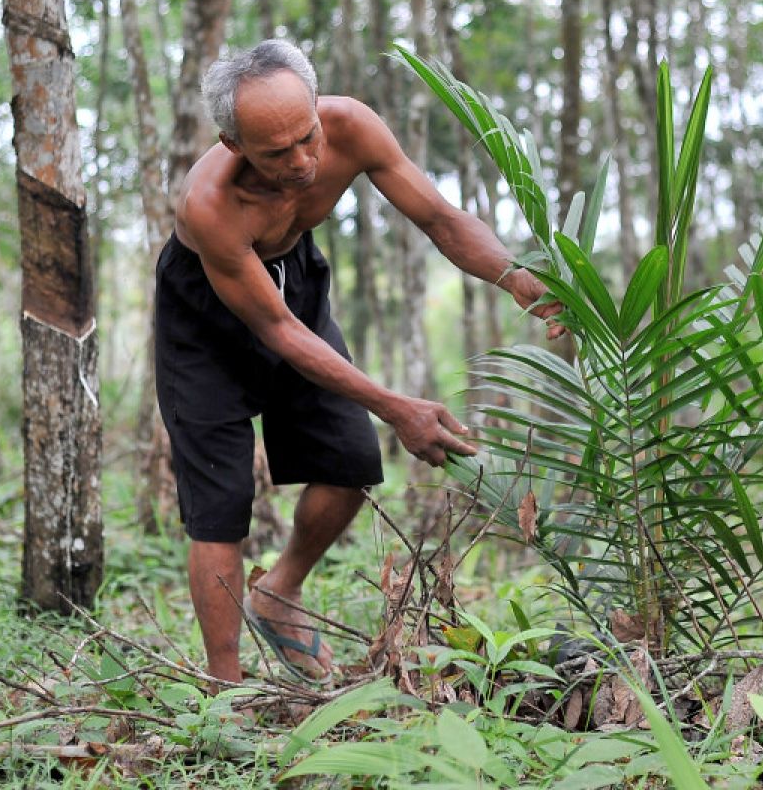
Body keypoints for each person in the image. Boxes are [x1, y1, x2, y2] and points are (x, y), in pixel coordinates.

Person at [155, 39, 562, 684]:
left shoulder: (352, 127)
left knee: (347, 460)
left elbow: (440, 218)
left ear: (318, 109)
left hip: (291, 279)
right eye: (275, 152)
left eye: (307, 136)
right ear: (234, 147)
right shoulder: (210, 204)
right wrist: (397, 407)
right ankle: (224, 689)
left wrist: (515, 277)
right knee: (219, 504)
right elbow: (278, 333)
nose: (302, 162)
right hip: (204, 319)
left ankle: (279, 590)